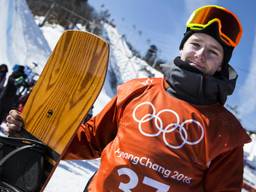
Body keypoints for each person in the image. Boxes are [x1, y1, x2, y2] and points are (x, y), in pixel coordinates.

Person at [5, 5, 251, 191]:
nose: (200, 54)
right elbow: (91, 139)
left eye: (213, 52)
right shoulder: (138, 90)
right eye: (195, 44)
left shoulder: (226, 133)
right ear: (182, 47)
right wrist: (36, 131)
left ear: (221, 64)